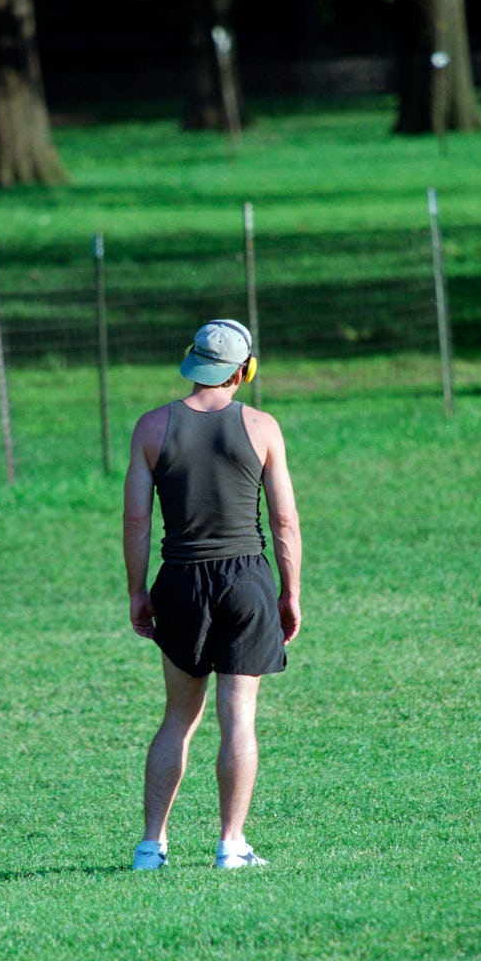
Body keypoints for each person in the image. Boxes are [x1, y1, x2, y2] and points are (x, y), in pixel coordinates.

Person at [123, 318, 302, 870]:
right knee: (238, 716)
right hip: (247, 580)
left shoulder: (152, 427)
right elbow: (284, 522)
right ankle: (231, 845)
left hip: (178, 579)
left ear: (192, 360)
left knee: (178, 717)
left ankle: (152, 847)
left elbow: (135, 520)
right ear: (244, 370)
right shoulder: (263, 427)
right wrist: (290, 593)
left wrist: (137, 591)